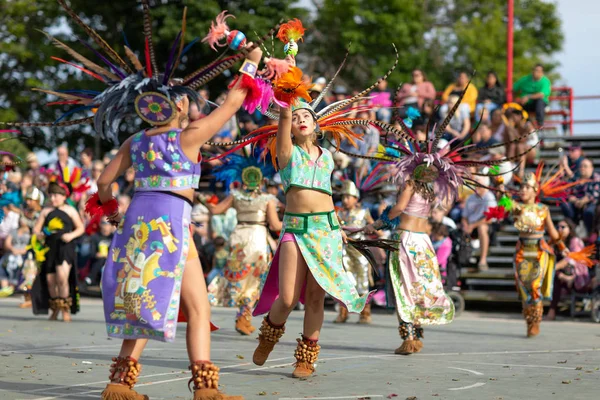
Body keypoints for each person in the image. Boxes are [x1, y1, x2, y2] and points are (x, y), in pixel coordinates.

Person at [207, 154, 281, 335]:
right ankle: (243, 318)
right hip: (256, 238)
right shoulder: (267, 200)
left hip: (238, 238)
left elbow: (216, 211)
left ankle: (243, 317)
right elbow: (275, 225)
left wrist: (204, 201)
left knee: (240, 277)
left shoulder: (235, 196)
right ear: (261, 180)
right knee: (254, 279)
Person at [31, 178, 85, 322]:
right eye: (51, 195)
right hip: (50, 247)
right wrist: (40, 234)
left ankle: (65, 309)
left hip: (65, 247)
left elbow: (80, 228)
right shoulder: (46, 211)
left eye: (56, 195)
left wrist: (71, 235)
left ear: (64, 196)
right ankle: (55, 308)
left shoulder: (70, 210)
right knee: (50, 281)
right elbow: (36, 229)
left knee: (62, 278)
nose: (53, 198)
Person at [335, 180, 380, 324]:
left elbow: (374, 227)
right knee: (345, 280)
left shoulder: (363, 212)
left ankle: (365, 313)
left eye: (348, 197)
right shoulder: (339, 214)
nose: (345, 200)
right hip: (345, 250)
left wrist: (379, 236)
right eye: (343, 197)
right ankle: (343, 313)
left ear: (356, 198)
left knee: (362, 281)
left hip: (360, 250)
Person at [547, 218, 591, 320]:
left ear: (570, 229)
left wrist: (551, 269)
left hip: (579, 279)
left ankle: (552, 311)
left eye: (563, 227)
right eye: (557, 227)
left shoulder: (575, 241)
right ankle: (546, 310)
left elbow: (569, 260)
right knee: (556, 277)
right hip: (565, 277)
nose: (559, 229)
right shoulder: (558, 243)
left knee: (555, 276)